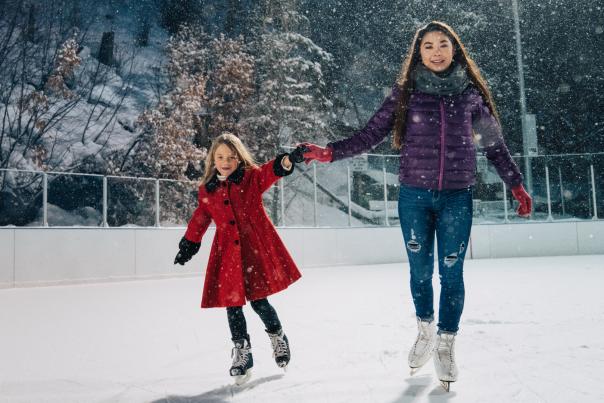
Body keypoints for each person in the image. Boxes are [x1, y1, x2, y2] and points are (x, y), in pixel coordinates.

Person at [302, 21, 532, 391]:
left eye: (443, 44)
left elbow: (494, 145)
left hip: (457, 196)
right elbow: (371, 133)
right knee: (421, 272)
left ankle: (445, 343)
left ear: (454, 49)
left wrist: (516, 183)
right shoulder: (405, 94)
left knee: (452, 273)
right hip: (414, 196)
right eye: (428, 46)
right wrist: (331, 152)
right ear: (418, 53)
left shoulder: (470, 96)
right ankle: (425, 328)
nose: (436, 52)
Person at [174, 132, 307, 385]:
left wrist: (288, 160)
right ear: (213, 159)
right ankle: (242, 353)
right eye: (220, 156)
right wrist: (189, 244)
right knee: (232, 305)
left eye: (231, 157)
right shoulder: (208, 189)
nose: (225, 161)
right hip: (227, 254)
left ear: (239, 158)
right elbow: (201, 218)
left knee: (259, 302)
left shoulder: (250, 178)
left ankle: (277, 336)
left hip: (252, 251)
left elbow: (271, 171)